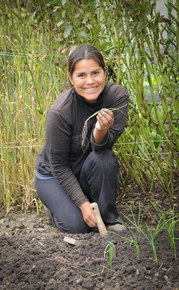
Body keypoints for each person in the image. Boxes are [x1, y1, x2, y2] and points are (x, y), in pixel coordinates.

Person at [35, 45, 129, 234]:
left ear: (104, 72)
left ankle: (109, 218)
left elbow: (102, 148)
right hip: (53, 175)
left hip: (86, 167)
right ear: (70, 78)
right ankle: (56, 208)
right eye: (81, 75)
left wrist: (101, 129)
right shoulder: (60, 112)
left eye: (96, 73)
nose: (90, 81)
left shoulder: (117, 97)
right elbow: (59, 167)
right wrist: (83, 203)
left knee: (104, 158)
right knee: (77, 226)